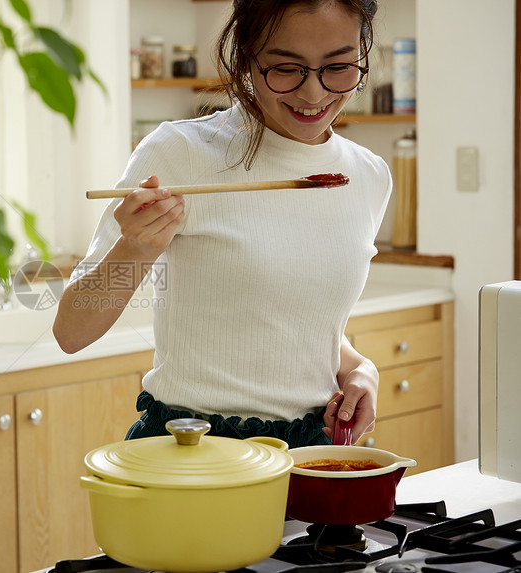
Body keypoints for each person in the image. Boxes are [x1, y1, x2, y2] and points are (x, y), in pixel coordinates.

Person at [53, 0, 389, 448]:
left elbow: (287, 319)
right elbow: (71, 332)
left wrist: (359, 368)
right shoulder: (180, 153)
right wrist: (134, 249)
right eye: (286, 68)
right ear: (247, 55)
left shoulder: (368, 176)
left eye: (339, 66)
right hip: (194, 450)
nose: (314, 94)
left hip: (312, 451)